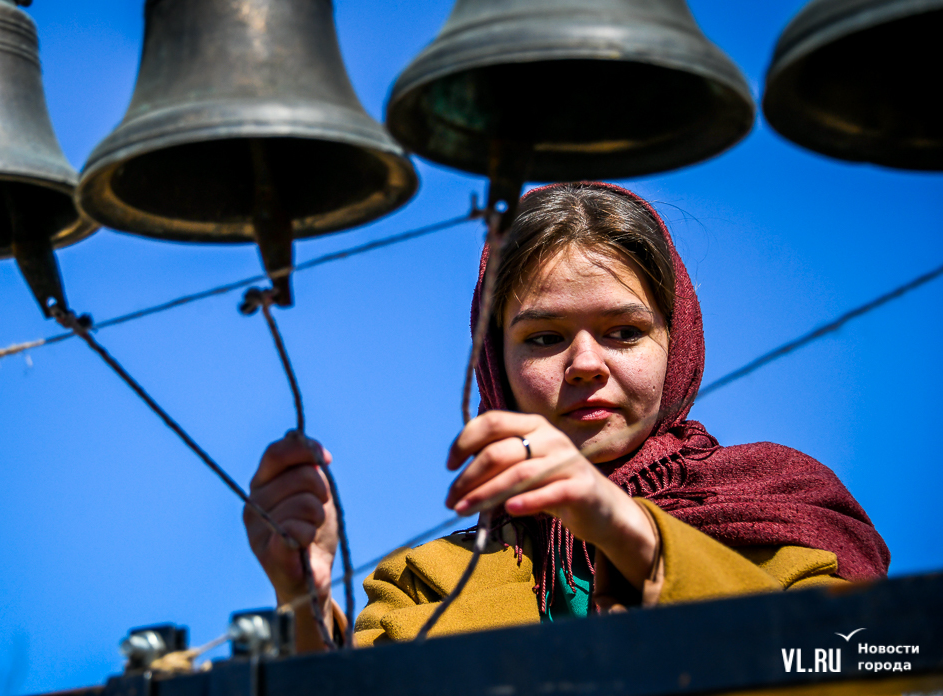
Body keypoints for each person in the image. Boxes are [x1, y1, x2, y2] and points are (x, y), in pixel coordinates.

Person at [243, 182, 889, 651]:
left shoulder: (781, 510)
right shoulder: (425, 585)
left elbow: (867, 668)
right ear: (494, 362)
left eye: (624, 331)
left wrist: (624, 528)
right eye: (545, 337)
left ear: (679, 341)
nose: (584, 362)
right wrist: (303, 595)